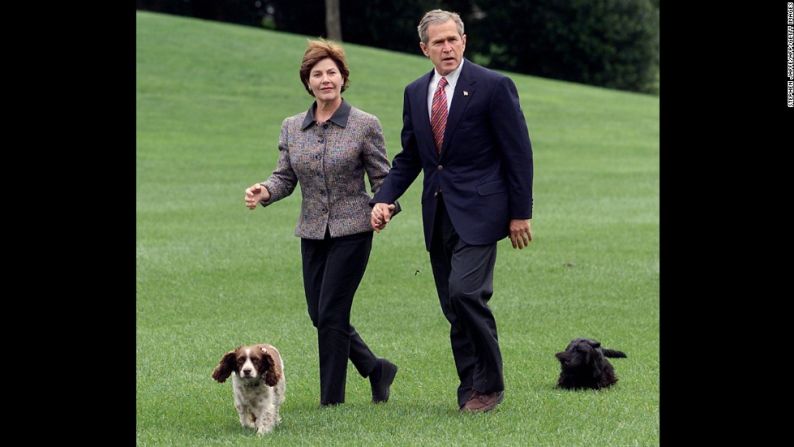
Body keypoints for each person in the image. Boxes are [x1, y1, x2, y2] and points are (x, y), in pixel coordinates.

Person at [370, 9, 533, 413]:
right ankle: (470, 389)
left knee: (465, 293)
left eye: (453, 40)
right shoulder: (414, 92)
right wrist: (384, 199)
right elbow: (411, 157)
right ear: (424, 48)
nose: (447, 48)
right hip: (438, 213)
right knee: (452, 305)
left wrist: (520, 213)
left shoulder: (494, 86)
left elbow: (518, 153)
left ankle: (489, 386)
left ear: (464, 41)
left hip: (483, 211)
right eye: (438, 42)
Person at [244, 39, 398, 407]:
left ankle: (332, 401)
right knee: (319, 314)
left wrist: (384, 207)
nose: (325, 79)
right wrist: (265, 190)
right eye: (317, 74)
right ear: (308, 82)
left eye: (332, 72)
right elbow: (285, 176)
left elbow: (384, 179)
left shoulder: (365, 125)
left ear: (343, 79)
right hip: (312, 232)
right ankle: (375, 368)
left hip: (353, 230)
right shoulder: (292, 127)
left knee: (331, 312)